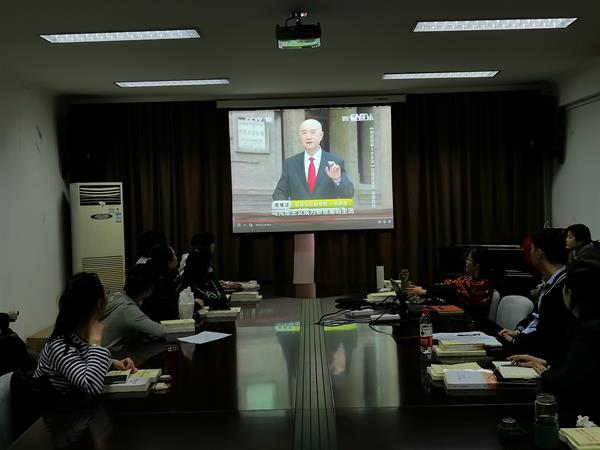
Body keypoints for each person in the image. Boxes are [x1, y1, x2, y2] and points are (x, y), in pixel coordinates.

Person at [508, 260, 600, 421]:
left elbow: (566, 384)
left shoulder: (588, 331)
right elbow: (577, 366)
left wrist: (543, 371)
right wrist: (545, 362)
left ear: (570, 292)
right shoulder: (588, 324)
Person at [31, 273, 136, 394]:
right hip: (57, 405)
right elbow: (91, 386)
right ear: (99, 303)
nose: (107, 297)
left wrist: (113, 363)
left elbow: (83, 362)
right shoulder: (60, 345)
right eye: (106, 293)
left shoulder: (76, 334)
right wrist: (95, 343)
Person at [499, 228, 574, 361]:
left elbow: (550, 336)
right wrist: (518, 332)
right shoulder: (551, 282)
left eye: (532, 249)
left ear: (539, 253)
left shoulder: (562, 287)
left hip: (544, 356)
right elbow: (536, 317)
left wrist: (518, 340)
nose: (530, 253)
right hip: (530, 342)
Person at [272, 119, 354, 200]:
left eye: (312, 132)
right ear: (300, 136)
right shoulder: (290, 164)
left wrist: (337, 179)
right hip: (298, 209)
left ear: (321, 135)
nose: (308, 137)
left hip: (326, 209)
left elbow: (349, 194)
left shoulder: (335, 162)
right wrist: (287, 206)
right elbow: (279, 193)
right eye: (304, 133)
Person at [406, 247, 493, 317]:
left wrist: (424, 292)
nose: (466, 262)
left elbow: (452, 291)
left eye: (469, 259)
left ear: (477, 265)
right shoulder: (469, 278)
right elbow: (447, 286)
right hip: (458, 314)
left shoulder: (482, 284)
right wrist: (422, 287)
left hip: (470, 320)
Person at [101, 264, 166, 350]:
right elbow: (161, 331)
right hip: (109, 355)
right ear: (148, 290)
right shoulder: (128, 310)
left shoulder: (116, 296)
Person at [176, 246, 230, 310]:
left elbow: (222, 298)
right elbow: (221, 299)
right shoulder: (187, 280)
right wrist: (210, 275)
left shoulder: (202, 276)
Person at [141, 243, 179, 322]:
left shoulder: (153, 272)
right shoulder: (160, 281)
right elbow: (169, 308)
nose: (176, 257)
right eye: (174, 255)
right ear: (169, 263)